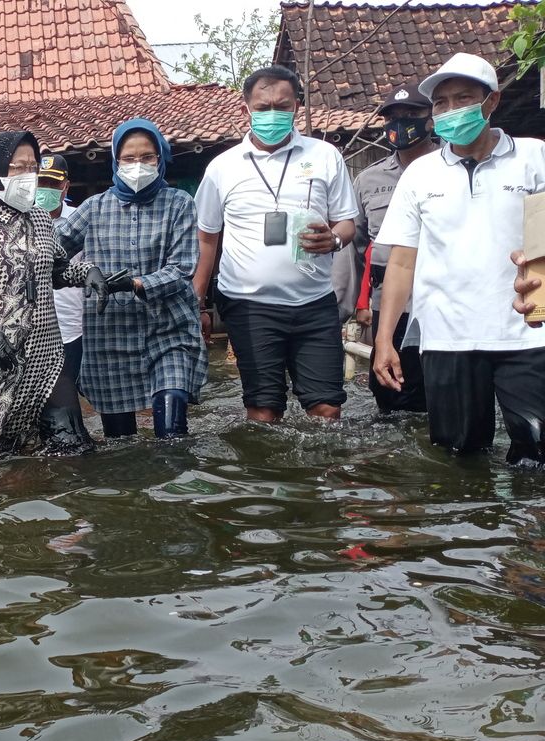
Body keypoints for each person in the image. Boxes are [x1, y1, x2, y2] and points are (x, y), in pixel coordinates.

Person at [374, 53, 545, 465]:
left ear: (491, 102)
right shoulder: (420, 174)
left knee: (536, 454)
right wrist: (384, 340)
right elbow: (401, 262)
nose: (452, 110)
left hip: (526, 331)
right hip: (446, 335)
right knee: (459, 456)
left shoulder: (534, 157)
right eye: (442, 102)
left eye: (463, 98)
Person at [194, 65, 358, 423]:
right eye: (263, 107)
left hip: (314, 303)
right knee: (263, 410)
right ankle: (265, 477)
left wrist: (334, 240)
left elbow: (347, 222)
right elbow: (207, 238)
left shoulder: (324, 155)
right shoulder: (222, 168)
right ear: (245, 110)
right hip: (249, 305)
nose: (273, 115)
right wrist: (198, 301)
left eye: (282, 106)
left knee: (327, 408)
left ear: (297, 107)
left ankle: (320, 478)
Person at [0, 130, 111, 459]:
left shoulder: (41, 220)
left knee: (73, 451)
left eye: (33, 167)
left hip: (45, 359)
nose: (29, 176)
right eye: (19, 167)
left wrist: (88, 273)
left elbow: (56, 271)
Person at [56, 118, 207, 438]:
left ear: (160, 159)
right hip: (110, 333)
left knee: (172, 429)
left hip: (168, 329)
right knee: (120, 440)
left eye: (147, 157)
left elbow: (182, 268)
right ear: (116, 161)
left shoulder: (179, 203)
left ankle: (175, 484)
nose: (138, 165)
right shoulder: (94, 208)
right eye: (129, 158)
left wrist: (135, 283)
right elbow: (52, 249)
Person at [350, 84, 436, 413]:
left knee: (441, 390)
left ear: (430, 120)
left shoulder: (452, 169)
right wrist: (351, 307)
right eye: (393, 117)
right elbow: (355, 249)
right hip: (390, 305)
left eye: (412, 115)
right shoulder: (369, 180)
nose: (400, 123)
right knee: (389, 389)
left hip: (444, 299)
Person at [36, 154, 86, 391]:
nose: (46, 189)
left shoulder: (80, 221)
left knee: (72, 397)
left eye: (53, 184)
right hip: (33, 329)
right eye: (41, 183)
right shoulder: (21, 221)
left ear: (66, 186)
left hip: (72, 327)